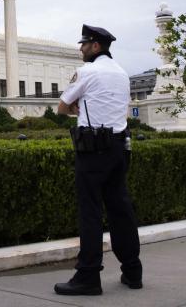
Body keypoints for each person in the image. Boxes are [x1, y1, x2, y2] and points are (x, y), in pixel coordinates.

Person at [54, 24, 143, 296]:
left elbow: (61, 107)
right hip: (119, 148)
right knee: (121, 210)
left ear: (95, 46)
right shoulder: (122, 73)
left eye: (83, 44)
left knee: (91, 212)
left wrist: (74, 108)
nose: (80, 49)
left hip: (93, 151)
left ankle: (89, 276)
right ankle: (132, 271)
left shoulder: (87, 71)